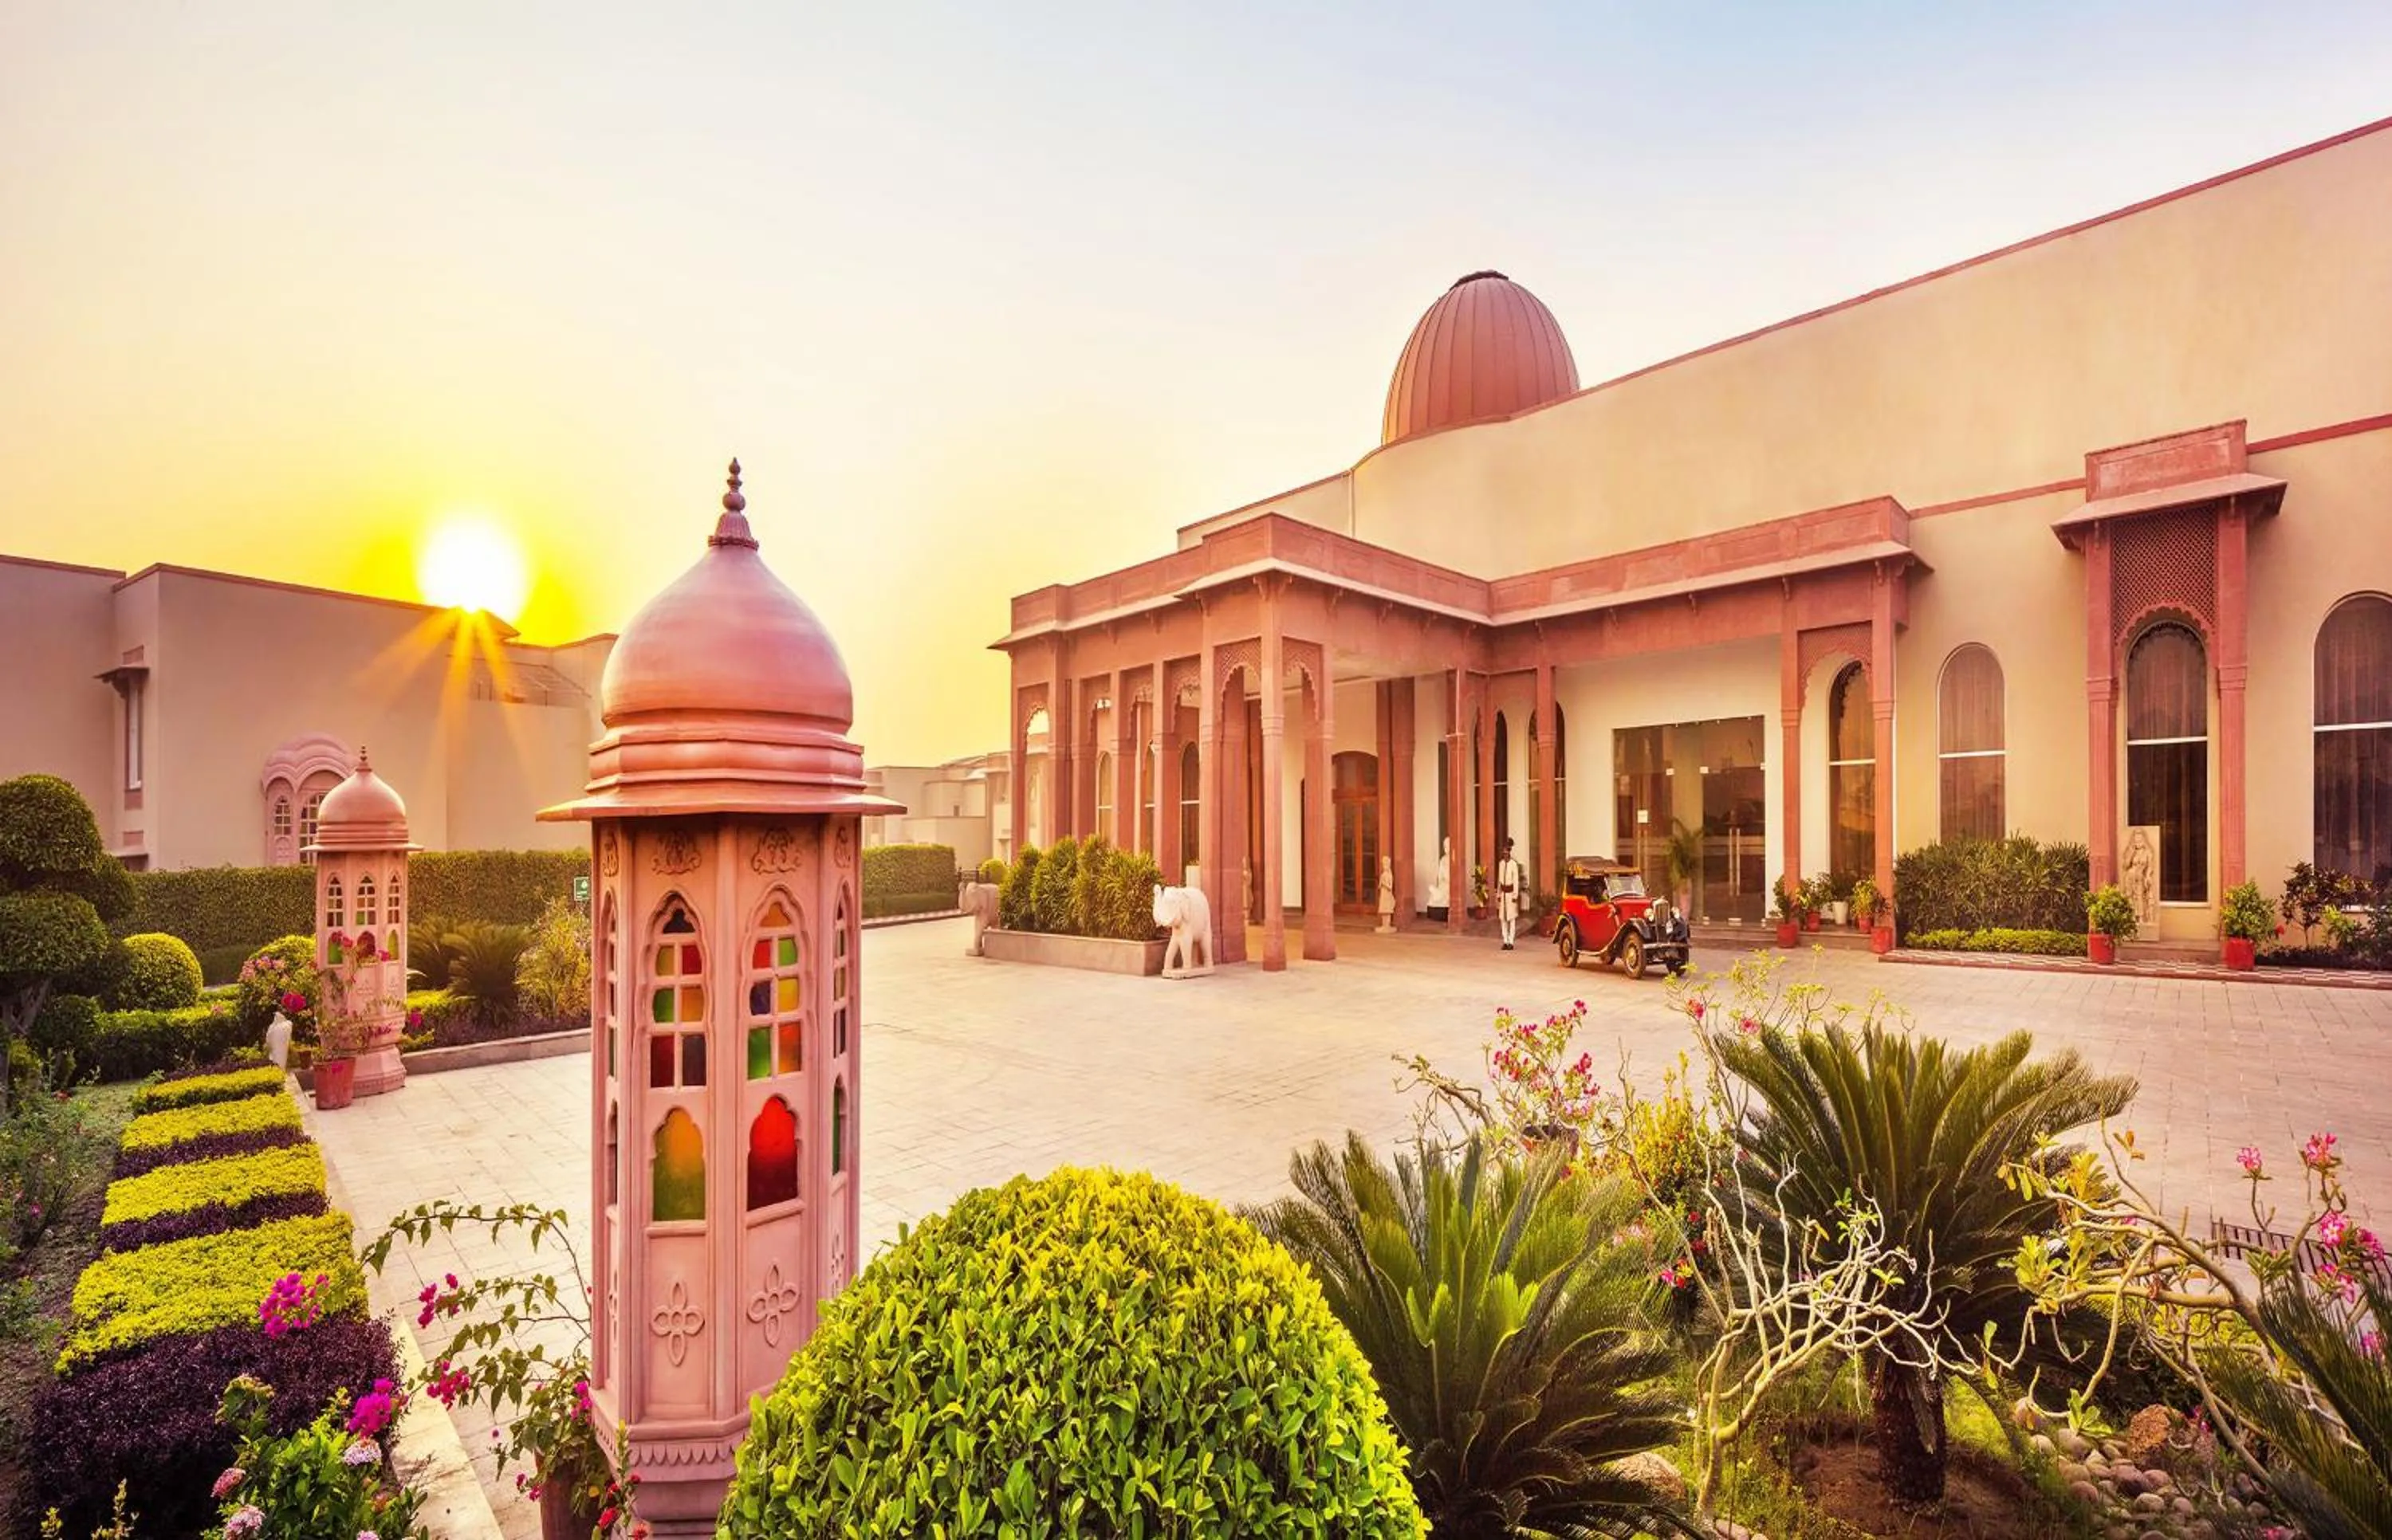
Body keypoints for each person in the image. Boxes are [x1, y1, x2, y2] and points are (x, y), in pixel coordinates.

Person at [1497, 837, 1525, 950]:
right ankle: (1505, 940)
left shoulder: (1513, 864)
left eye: (1507, 852)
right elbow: (1499, 880)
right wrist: (1498, 894)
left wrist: (1515, 895)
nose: (1505, 854)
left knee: (1511, 919)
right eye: (1504, 852)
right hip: (1503, 894)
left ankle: (1511, 942)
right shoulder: (1501, 864)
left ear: (1509, 852)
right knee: (1503, 919)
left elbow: (1516, 881)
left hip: (1510, 894)